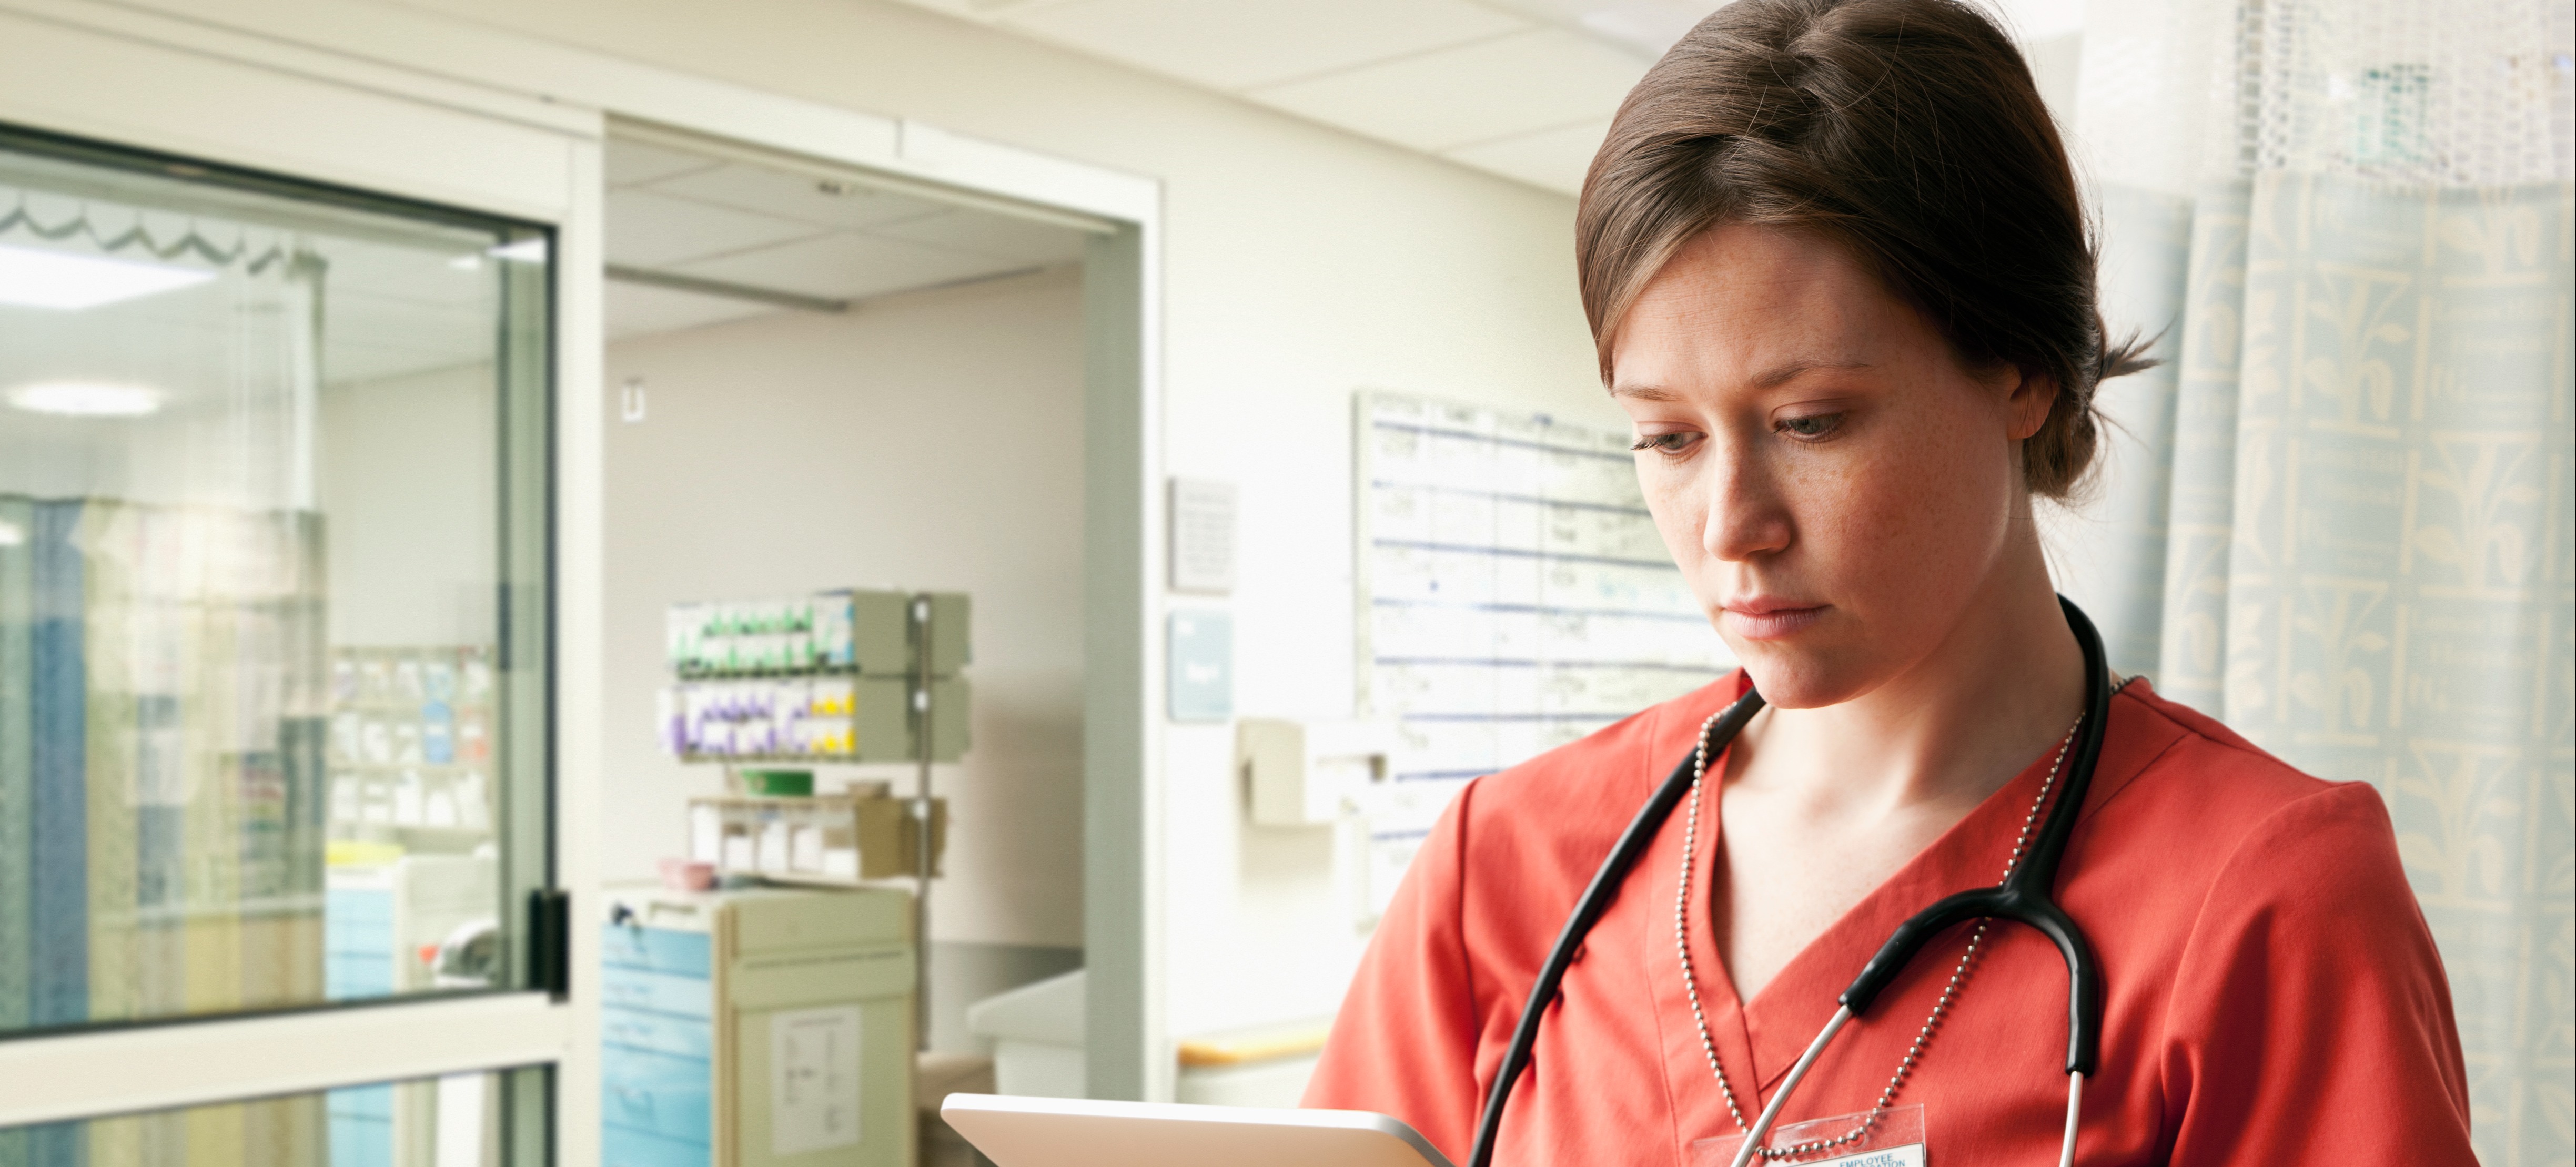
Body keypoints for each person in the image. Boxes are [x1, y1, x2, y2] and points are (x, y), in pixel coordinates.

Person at [1300, 0, 2477, 1163]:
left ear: (2024, 373)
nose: (1732, 526)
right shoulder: (1504, 865)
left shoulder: (2265, 895)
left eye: (1811, 423)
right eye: (1667, 439)